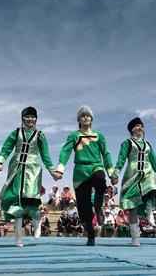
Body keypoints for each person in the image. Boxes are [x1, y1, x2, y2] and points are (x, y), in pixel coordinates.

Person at [0, 107, 60, 247]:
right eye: (27, 117)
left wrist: (52, 170)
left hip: (33, 169)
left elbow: (45, 155)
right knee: (17, 200)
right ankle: (18, 236)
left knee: (32, 198)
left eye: (33, 117)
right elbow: (6, 148)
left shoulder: (40, 135)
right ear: (23, 119)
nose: (30, 119)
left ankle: (37, 223)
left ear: (36, 119)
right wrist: (0, 162)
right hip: (17, 168)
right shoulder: (16, 133)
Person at [55, 105, 114, 246]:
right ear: (79, 120)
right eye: (83, 116)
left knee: (100, 180)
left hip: (96, 166)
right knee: (83, 207)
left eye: (88, 115)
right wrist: (60, 169)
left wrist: (111, 172)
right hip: (80, 171)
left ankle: (98, 207)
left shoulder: (99, 136)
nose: (86, 117)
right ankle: (91, 236)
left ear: (92, 119)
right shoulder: (74, 135)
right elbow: (65, 151)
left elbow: (105, 153)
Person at [110, 117, 156, 246]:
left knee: (152, 188)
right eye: (137, 126)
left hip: (147, 172)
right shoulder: (127, 143)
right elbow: (121, 159)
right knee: (133, 207)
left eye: (142, 126)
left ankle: (149, 213)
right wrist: (115, 173)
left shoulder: (148, 144)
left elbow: (155, 162)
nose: (140, 128)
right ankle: (134, 237)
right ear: (132, 130)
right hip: (132, 175)